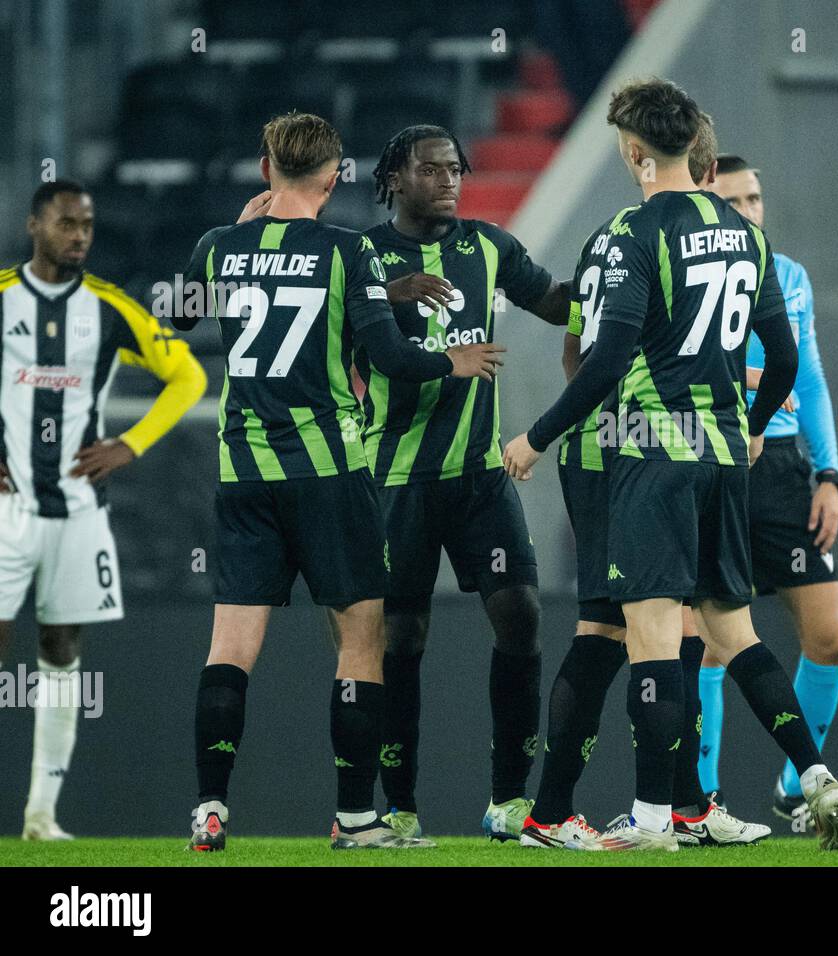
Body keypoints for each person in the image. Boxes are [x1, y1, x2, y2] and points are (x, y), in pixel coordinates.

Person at [504, 78, 838, 851]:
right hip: (725, 459)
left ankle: (653, 818)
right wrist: (752, 428)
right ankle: (814, 775)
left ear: (635, 152)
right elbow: (786, 358)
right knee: (733, 629)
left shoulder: (632, 232)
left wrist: (536, 436)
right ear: (694, 145)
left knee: (654, 638)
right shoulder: (747, 237)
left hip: (648, 454)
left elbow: (601, 357)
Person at [176, 112, 502, 851]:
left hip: (244, 474)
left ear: (266, 170)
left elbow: (179, 318)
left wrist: (234, 238)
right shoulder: (349, 251)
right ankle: (356, 817)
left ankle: (209, 807)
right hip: (330, 475)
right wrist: (451, 361)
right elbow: (389, 358)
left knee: (230, 646)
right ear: (332, 178)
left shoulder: (219, 245)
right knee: (361, 642)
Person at [521, 115, 769, 849]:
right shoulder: (654, 238)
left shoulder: (610, 236)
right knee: (615, 630)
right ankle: (560, 812)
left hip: (623, 448)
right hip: (628, 452)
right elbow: (602, 358)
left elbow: (576, 349)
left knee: (670, 628)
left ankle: (681, 806)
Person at [359, 124, 572, 841]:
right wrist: (389, 296)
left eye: (455, 168)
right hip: (397, 477)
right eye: (431, 169)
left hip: (480, 477)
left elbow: (554, 301)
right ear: (395, 178)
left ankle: (508, 800)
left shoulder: (489, 247)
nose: (449, 180)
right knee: (401, 638)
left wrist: (616, 286)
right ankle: (399, 807)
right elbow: (332, 327)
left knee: (521, 616)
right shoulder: (364, 256)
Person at [0, 180, 205, 840]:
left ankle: (40, 815)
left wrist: (130, 444)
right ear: (35, 227)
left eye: (87, 225)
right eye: (67, 223)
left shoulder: (110, 307)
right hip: (7, 509)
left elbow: (190, 377)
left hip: (79, 508)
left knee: (61, 648)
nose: (80, 235)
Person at [700, 154, 838, 822]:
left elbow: (809, 379)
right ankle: (703, 800)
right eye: (732, 201)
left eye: (754, 198)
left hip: (784, 468)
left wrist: (830, 475)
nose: (748, 211)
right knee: (706, 642)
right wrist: (754, 381)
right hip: (714, 458)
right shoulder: (692, 272)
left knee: (831, 638)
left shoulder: (790, 277)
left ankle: (797, 787)